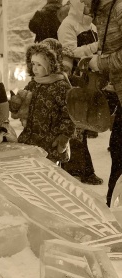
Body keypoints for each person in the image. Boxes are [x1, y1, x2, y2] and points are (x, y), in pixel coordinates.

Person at [57, 0, 103, 185]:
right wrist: (96, 48)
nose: (88, 6)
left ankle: (78, 168)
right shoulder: (67, 25)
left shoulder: (91, 25)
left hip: (90, 79)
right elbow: (70, 52)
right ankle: (80, 169)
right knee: (76, 126)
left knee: (83, 126)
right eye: (84, 2)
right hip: (76, 79)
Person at [10, 41, 76, 164]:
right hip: (31, 138)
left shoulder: (61, 86)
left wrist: (64, 136)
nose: (34, 68)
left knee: (50, 175)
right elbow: (23, 107)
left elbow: (70, 115)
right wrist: (16, 104)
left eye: (39, 65)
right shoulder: (33, 83)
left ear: (49, 66)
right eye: (33, 64)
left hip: (51, 141)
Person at [88, 0, 122, 206]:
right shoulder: (104, 11)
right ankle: (113, 206)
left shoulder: (118, 9)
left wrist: (100, 63)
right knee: (117, 148)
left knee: (119, 149)